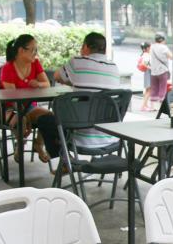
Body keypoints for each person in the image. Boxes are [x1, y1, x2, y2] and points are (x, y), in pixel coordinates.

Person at [38, 31, 122, 160]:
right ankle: (67, 161)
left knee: (44, 120)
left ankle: (65, 159)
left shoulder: (77, 62)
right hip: (110, 137)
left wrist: (74, 80)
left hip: (80, 138)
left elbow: (56, 76)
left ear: (86, 47)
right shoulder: (114, 67)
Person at [0, 34, 51, 163]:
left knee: (49, 116)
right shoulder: (8, 68)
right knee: (20, 119)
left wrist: (38, 84)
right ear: (21, 50)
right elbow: (13, 98)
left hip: (30, 107)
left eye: (36, 50)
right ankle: (20, 144)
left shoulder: (36, 64)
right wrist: (26, 117)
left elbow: (47, 84)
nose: (35, 53)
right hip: (9, 108)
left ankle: (38, 144)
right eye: (33, 50)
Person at [148, 33, 172, 107]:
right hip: (162, 71)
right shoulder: (163, 47)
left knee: (154, 88)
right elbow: (170, 56)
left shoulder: (152, 47)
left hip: (153, 71)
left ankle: (152, 106)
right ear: (162, 40)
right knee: (162, 88)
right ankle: (161, 106)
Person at [137, 42, 154, 111]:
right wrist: (152, 68)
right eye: (150, 47)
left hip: (147, 73)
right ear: (147, 48)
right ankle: (143, 106)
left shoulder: (145, 54)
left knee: (148, 90)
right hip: (149, 73)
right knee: (149, 90)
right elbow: (145, 64)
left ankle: (145, 105)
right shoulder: (146, 55)